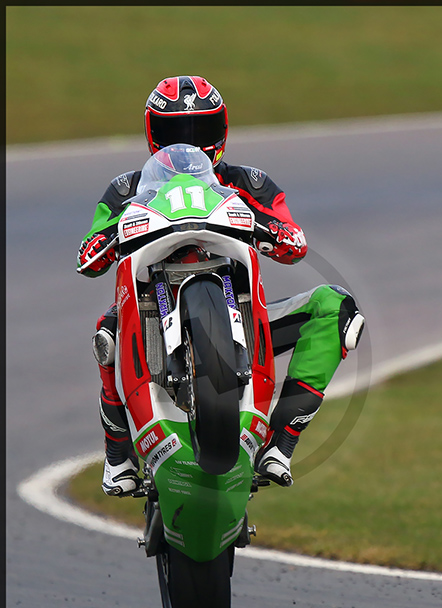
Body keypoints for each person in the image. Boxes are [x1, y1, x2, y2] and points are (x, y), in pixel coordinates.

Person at [77, 75, 364, 497]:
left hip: (241, 303)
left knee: (335, 307)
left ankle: (279, 445)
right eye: (174, 133)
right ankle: (117, 454)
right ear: (154, 136)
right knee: (107, 327)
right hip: (149, 303)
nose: (189, 143)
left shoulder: (251, 183)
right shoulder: (125, 189)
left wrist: (278, 233)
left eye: (201, 131)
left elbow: (293, 240)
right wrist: (104, 241)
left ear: (221, 131)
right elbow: (89, 253)